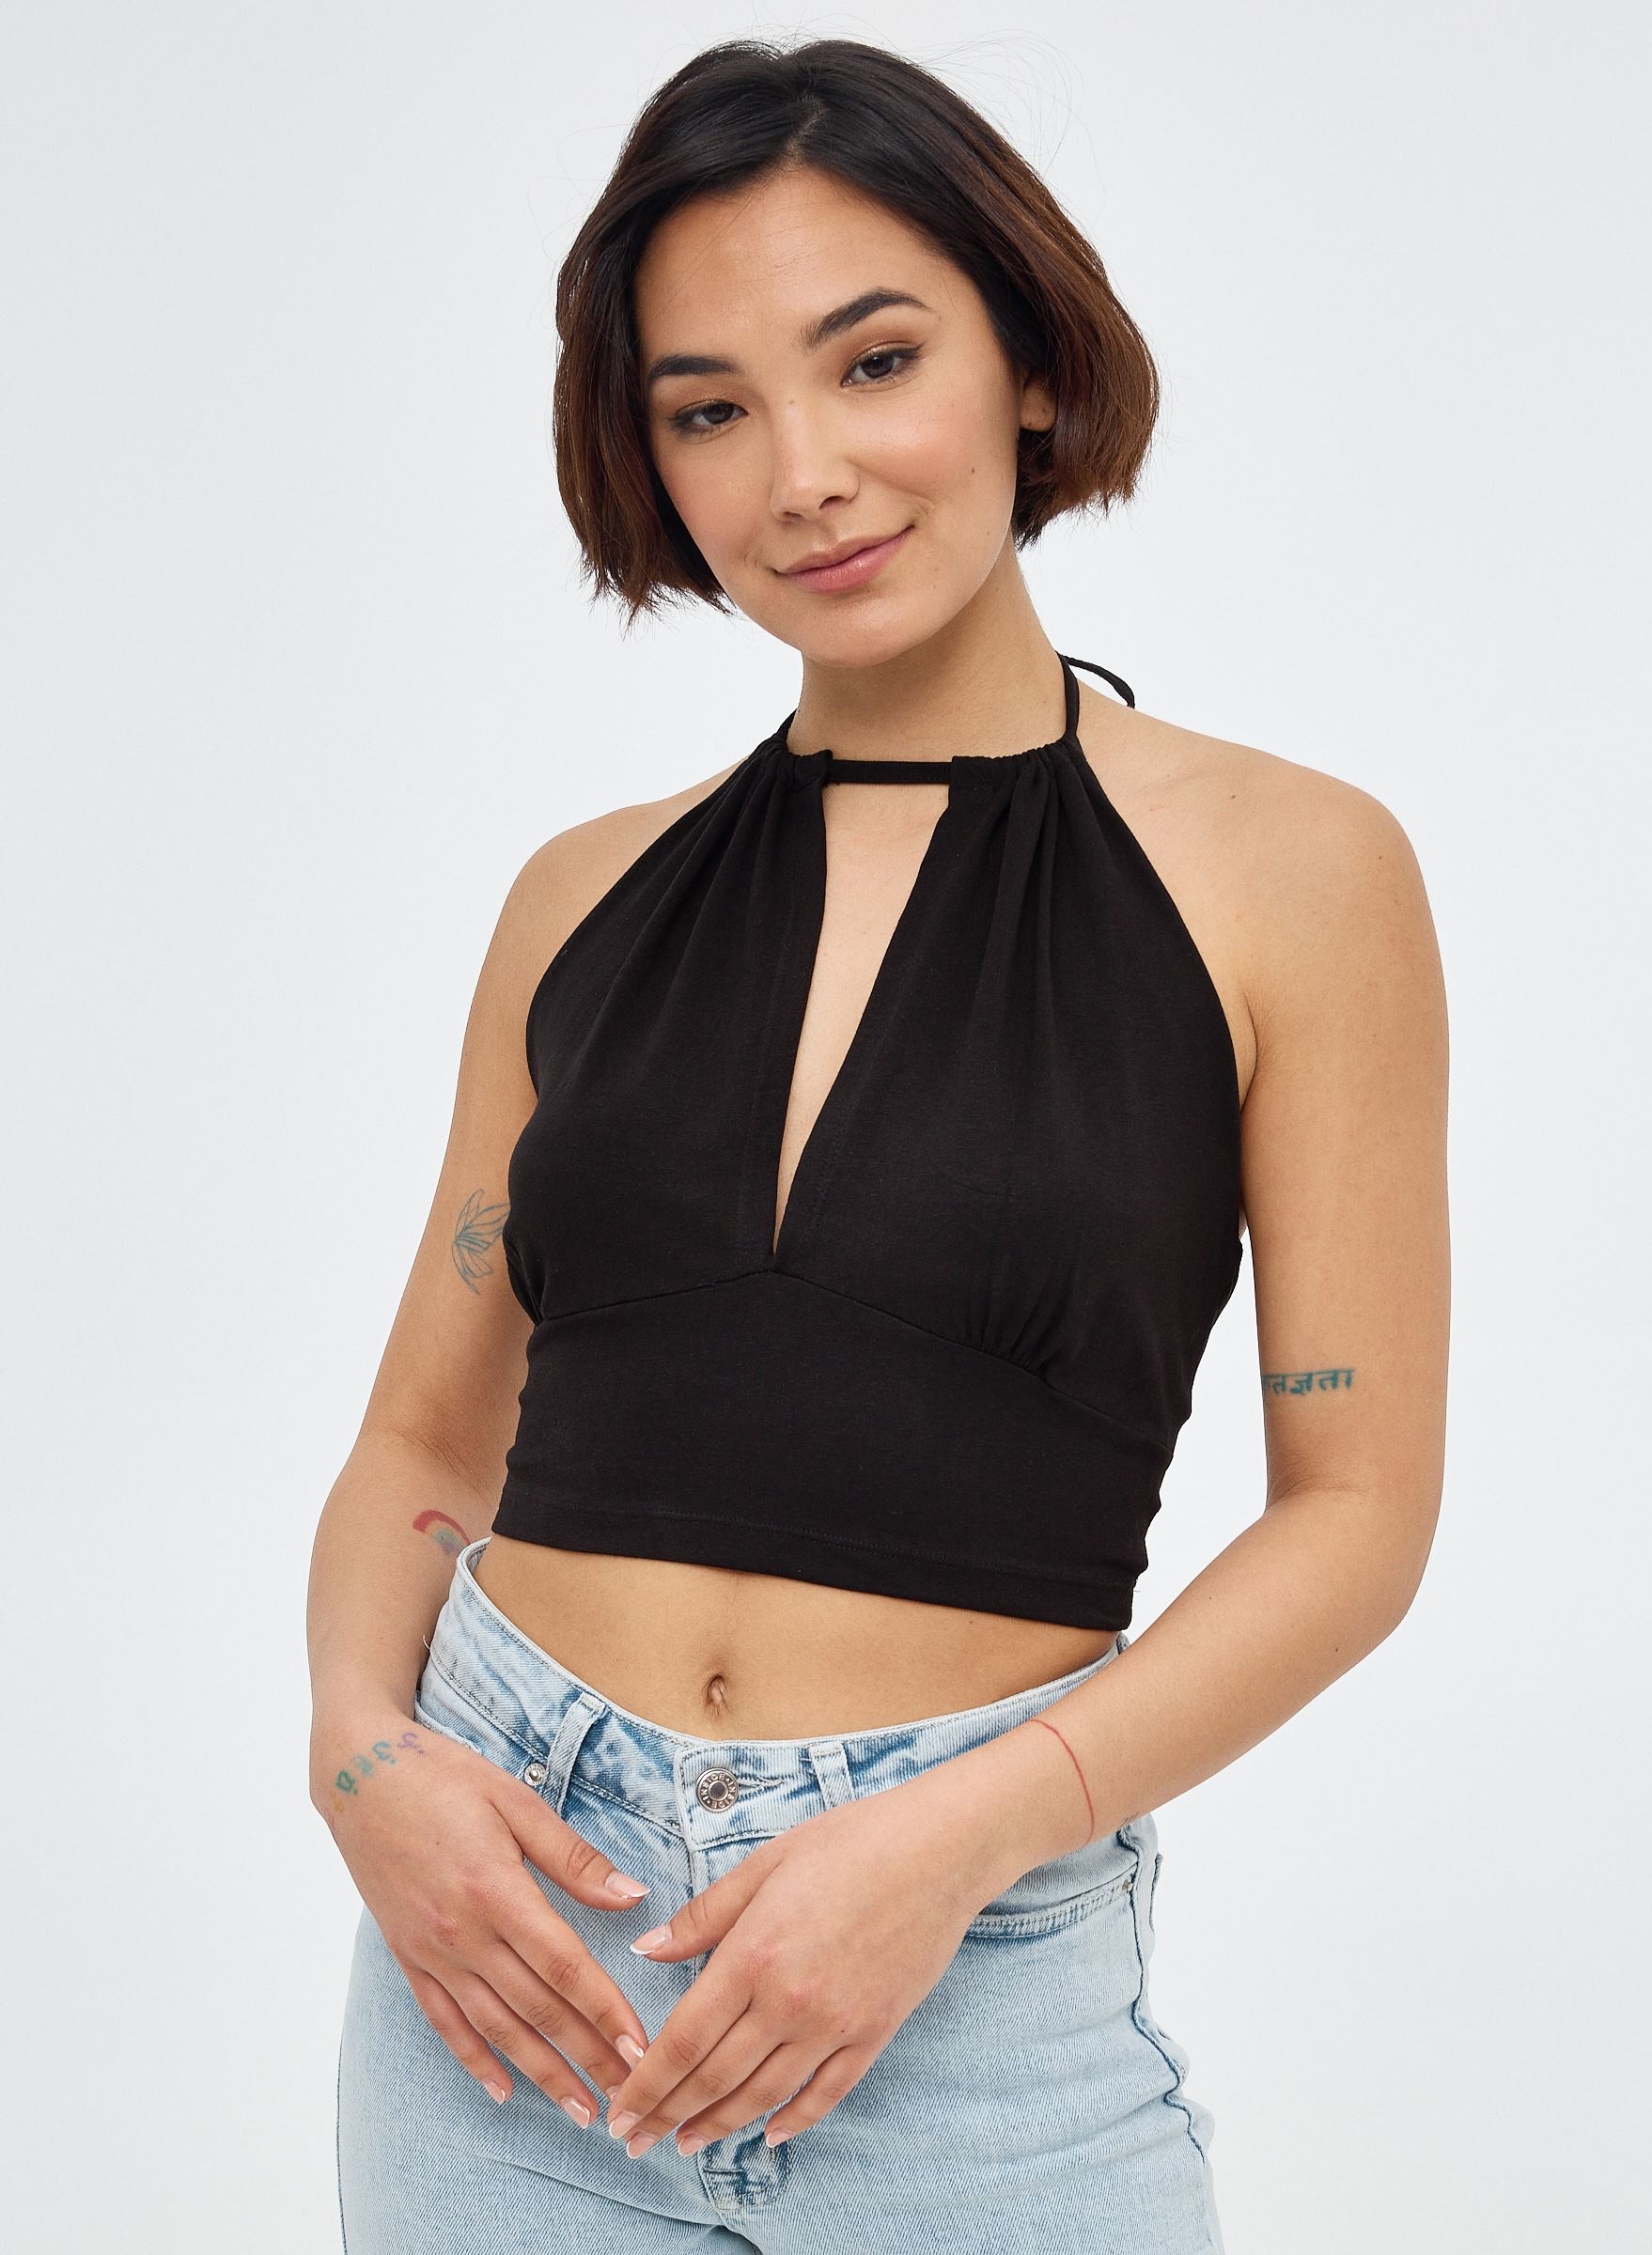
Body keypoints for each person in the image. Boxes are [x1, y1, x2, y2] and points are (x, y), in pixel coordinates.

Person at [310, 35, 1449, 2254]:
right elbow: (422, 1446)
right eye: (708, 408)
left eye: (876, 361)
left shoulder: (1292, 873)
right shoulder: (578, 896)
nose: (804, 474)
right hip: (509, 1970)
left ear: (1033, 360)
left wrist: (962, 1832)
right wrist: (364, 1757)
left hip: (969, 1989)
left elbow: (1359, 1512)